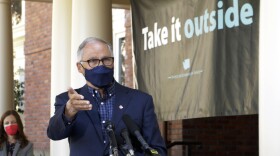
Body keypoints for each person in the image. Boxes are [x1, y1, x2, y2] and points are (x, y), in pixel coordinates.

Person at [47, 37, 167, 156]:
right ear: (79, 67)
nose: (101, 65)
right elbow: (54, 134)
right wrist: (68, 113)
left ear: (113, 62)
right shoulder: (69, 101)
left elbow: (158, 150)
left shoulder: (141, 101)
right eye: (93, 61)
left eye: (106, 60)